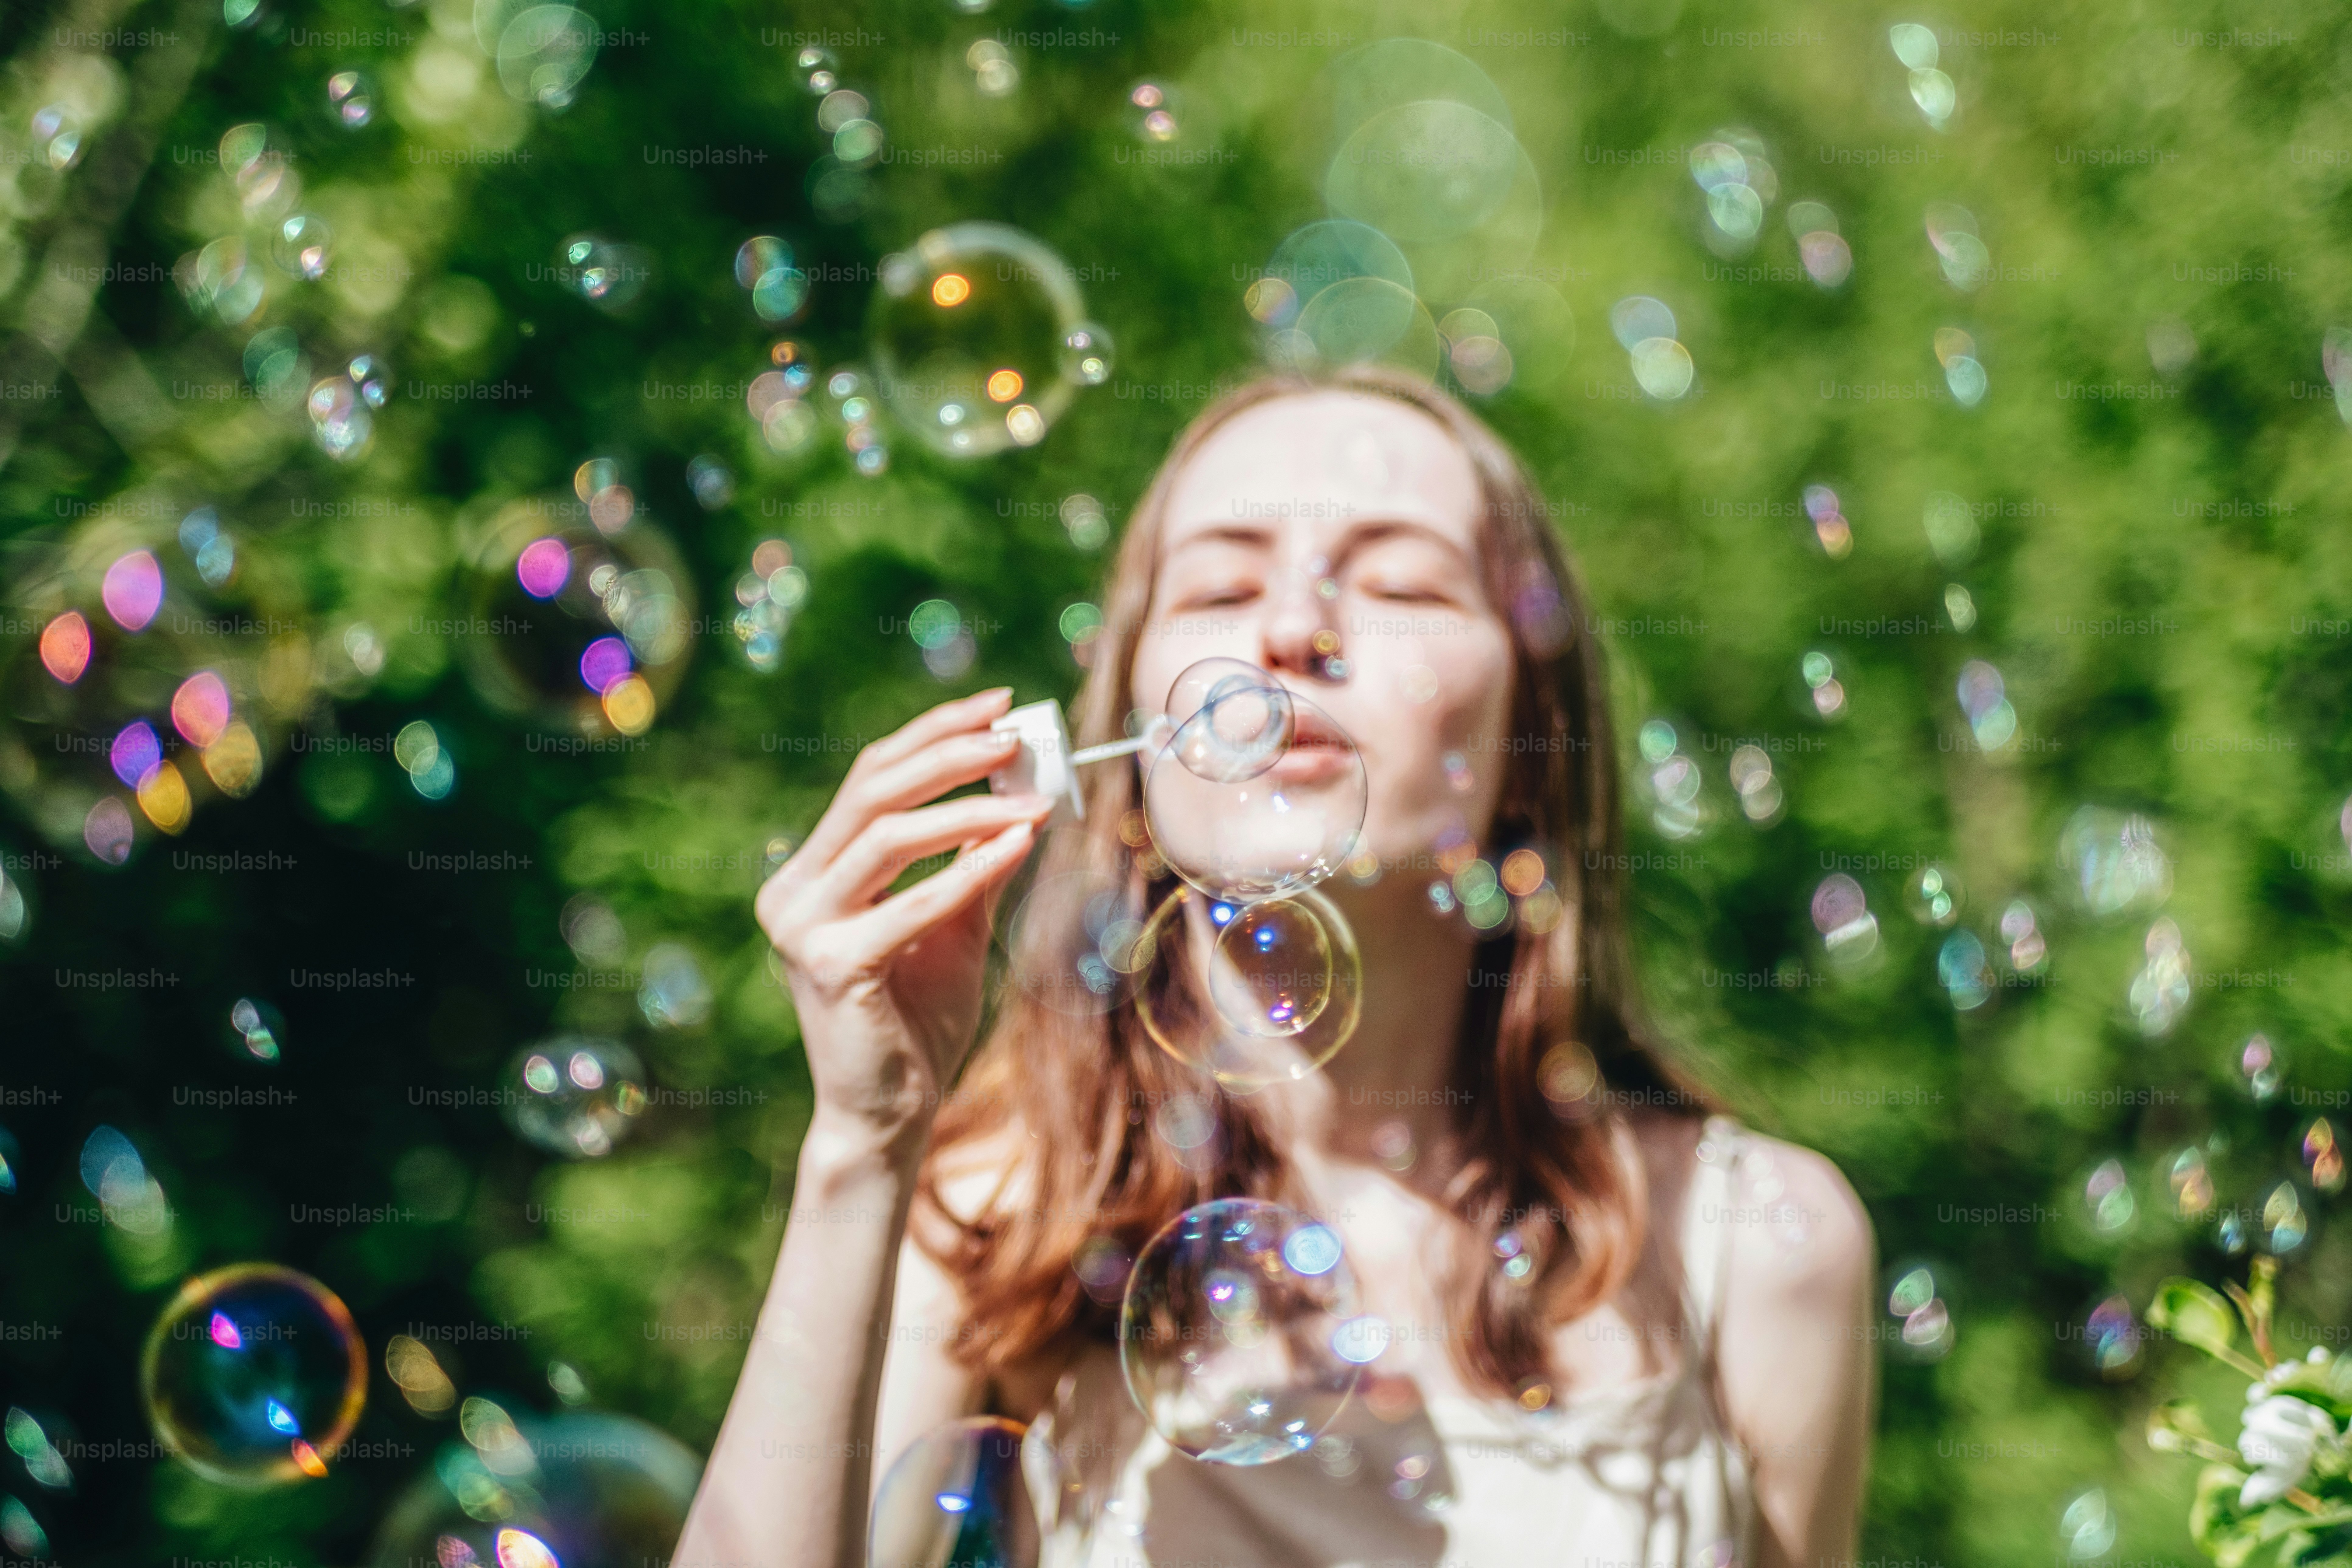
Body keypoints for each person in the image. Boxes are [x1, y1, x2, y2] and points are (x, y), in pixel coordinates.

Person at [676, 366, 1876, 1568]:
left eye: (1401, 583)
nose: (1289, 628)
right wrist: (860, 1144)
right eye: (1218, 584)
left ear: (1523, 738)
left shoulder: (1753, 1240)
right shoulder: (995, 1222)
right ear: (1136, 744)